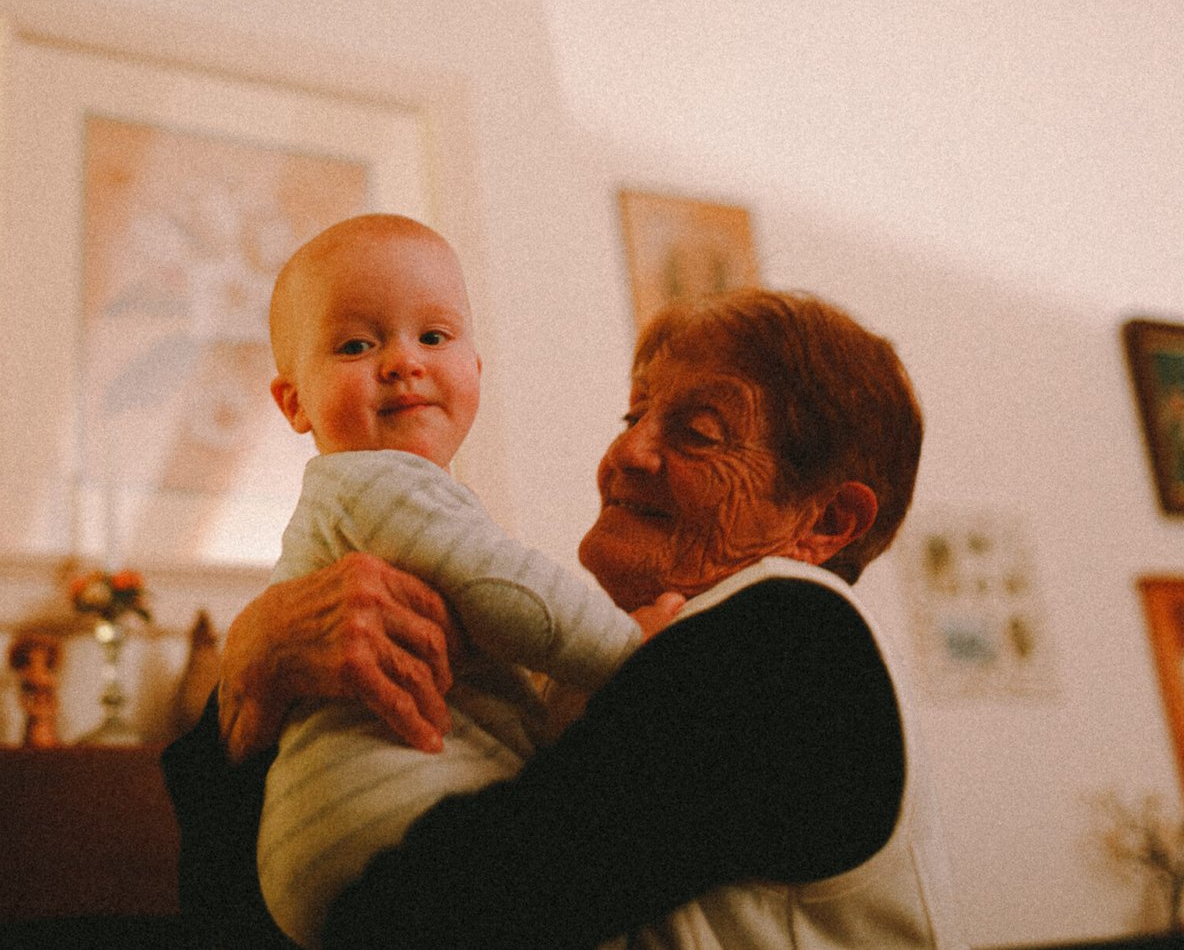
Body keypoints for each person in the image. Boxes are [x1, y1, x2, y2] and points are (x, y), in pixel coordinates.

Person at [162, 287, 965, 949]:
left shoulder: (793, 644)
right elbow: (238, 912)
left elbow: (407, 922)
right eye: (632, 416)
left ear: (825, 523)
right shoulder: (567, 681)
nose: (626, 455)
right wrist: (257, 661)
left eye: (697, 431)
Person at [255, 214, 645, 946]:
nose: (403, 361)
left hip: (331, 828)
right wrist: (644, 656)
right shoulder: (372, 482)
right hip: (384, 805)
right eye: (356, 344)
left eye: (433, 337)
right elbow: (517, 597)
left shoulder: (378, 500)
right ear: (294, 402)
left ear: (476, 367)